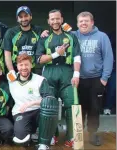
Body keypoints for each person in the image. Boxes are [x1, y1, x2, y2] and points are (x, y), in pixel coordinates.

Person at [35, 9, 81, 148]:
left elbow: (77, 57)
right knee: (49, 106)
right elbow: (39, 59)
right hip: (49, 72)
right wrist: (56, 54)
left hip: (67, 72)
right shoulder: (44, 37)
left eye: (57, 18)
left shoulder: (71, 36)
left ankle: (71, 137)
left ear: (62, 19)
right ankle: (51, 135)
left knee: (71, 105)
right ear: (49, 21)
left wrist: (76, 74)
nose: (55, 21)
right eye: (52, 19)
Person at [74, 11, 114, 146]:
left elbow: (109, 58)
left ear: (92, 22)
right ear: (77, 23)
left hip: (96, 79)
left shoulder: (102, 37)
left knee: (94, 108)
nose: (83, 23)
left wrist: (104, 78)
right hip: (78, 80)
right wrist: (45, 33)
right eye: (81, 21)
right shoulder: (72, 36)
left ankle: (92, 134)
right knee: (78, 108)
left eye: (86, 21)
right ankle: (77, 136)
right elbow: (56, 35)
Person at [7, 54, 58, 150]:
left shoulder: (40, 79)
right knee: (21, 139)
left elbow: (50, 99)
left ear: (31, 65)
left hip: (38, 111)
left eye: (26, 65)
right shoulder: (11, 78)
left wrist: (31, 103)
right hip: (21, 112)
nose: (24, 68)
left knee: (48, 107)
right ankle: (35, 134)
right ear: (17, 66)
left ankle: (43, 144)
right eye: (21, 65)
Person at [4, 6, 44, 78]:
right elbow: (7, 54)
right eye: (21, 17)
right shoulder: (11, 32)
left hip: (34, 69)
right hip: (16, 69)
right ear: (17, 19)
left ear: (31, 16)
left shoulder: (39, 30)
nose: (23, 19)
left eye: (26, 16)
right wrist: (11, 71)